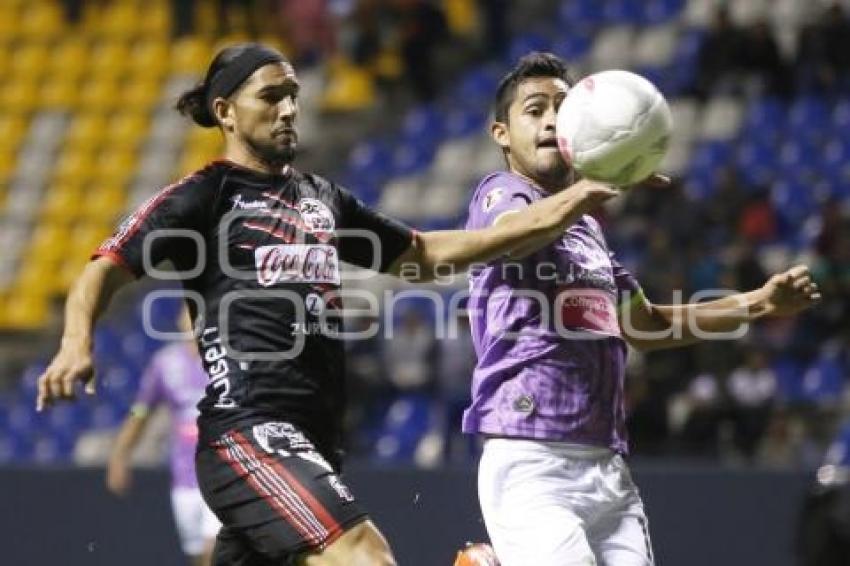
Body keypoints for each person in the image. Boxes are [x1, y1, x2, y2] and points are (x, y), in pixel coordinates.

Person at [35, 43, 621, 565]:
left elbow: (423, 254)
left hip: (316, 439)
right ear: (225, 113)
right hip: (249, 431)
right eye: (271, 97)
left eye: (293, 95)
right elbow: (105, 264)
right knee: (364, 555)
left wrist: (552, 211)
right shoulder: (205, 196)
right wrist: (74, 341)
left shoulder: (323, 198)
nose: (289, 108)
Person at [462, 52, 821, 566]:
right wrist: (587, 189)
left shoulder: (586, 231)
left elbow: (647, 325)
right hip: (530, 457)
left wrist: (760, 302)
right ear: (501, 134)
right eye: (534, 109)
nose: (549, 120)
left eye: (561, 109)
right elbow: (507, 241)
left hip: (607, 465)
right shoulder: (502, 195)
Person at [106, 306, 220, 566]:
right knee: (197, 556)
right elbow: (141, 410)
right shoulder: (165, 363)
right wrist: (120, 454)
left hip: (221, 471)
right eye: (186, 312)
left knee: (215, 549)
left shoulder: (226, 359)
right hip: (184, 476)